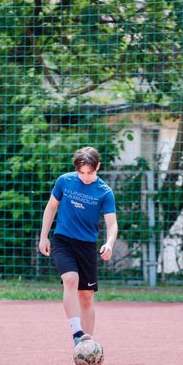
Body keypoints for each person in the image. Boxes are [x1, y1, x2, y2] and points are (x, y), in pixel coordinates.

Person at [39, 146, 118, 347]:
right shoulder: (64, 181)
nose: (85, 177)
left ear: (97, 167)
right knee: (70, 280)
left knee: (86, 296)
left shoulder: (105, 192)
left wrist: (109, 243)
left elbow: (112, 223)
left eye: (89, 173)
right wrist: (43, 237)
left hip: (87, 246)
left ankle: (86, 345)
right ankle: (77, 332)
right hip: (63, 240)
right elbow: (51, 207)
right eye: (81, 172)